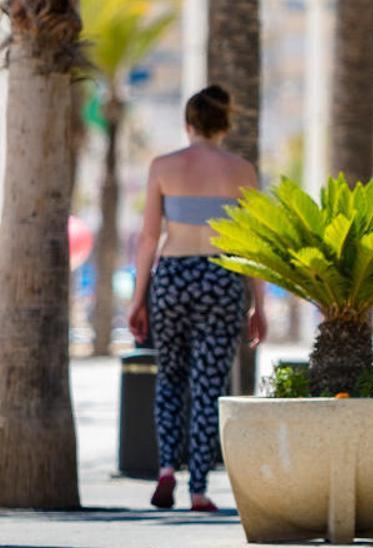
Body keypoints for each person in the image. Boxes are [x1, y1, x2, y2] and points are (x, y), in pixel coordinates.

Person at [127, 85, 267, 512]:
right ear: (225, 125)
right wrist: (259, 305)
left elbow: (150, 237)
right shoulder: (241, 171)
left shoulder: (163, 166)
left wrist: (138, 299)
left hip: (172, 275)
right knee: (208, 386)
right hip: (220, 276)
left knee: (169, 377)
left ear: (188, 124)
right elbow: (254, 242)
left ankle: (167, 468)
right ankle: (199, 489)